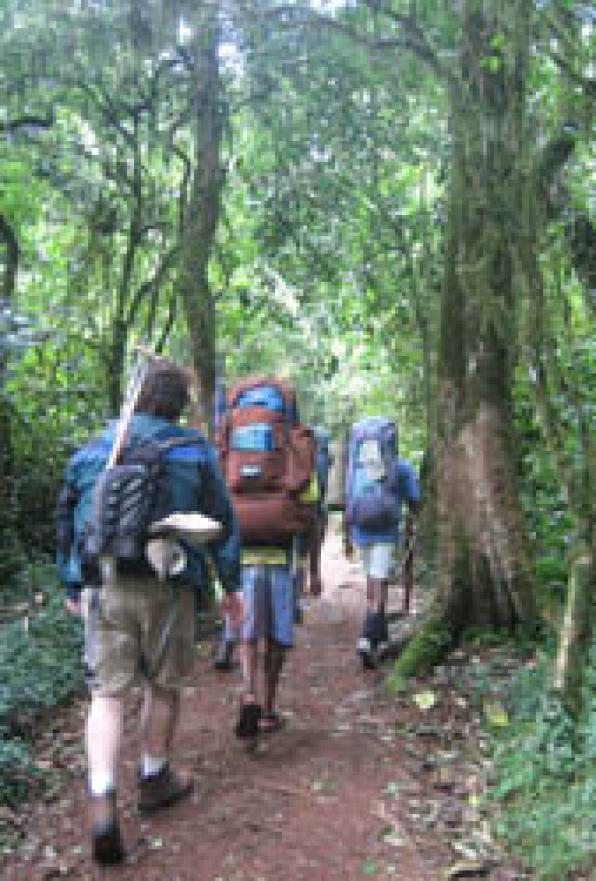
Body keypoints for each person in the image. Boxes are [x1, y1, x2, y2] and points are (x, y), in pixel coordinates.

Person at [56, 360, 242, 865]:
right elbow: (222, 521)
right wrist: (231, 585)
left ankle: (101, 798)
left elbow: (69, 518)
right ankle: (155, 776)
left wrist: (71, 581)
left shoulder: (96, 447)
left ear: (136, 398)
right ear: (179, 404)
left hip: (105, 584)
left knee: (106, 694)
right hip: (169, 586)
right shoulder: (193, 451)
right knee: (163, 684)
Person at [345, 423, 419, 670]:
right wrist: (414, 517)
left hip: (361, 530)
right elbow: (415, 500)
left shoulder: (356, 467)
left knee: (372, 582)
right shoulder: (400, 466)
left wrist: (347, 537)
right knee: (379, 584)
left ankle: (380, 636)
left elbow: (348, 498)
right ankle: (367, 639)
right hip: (386, 532)